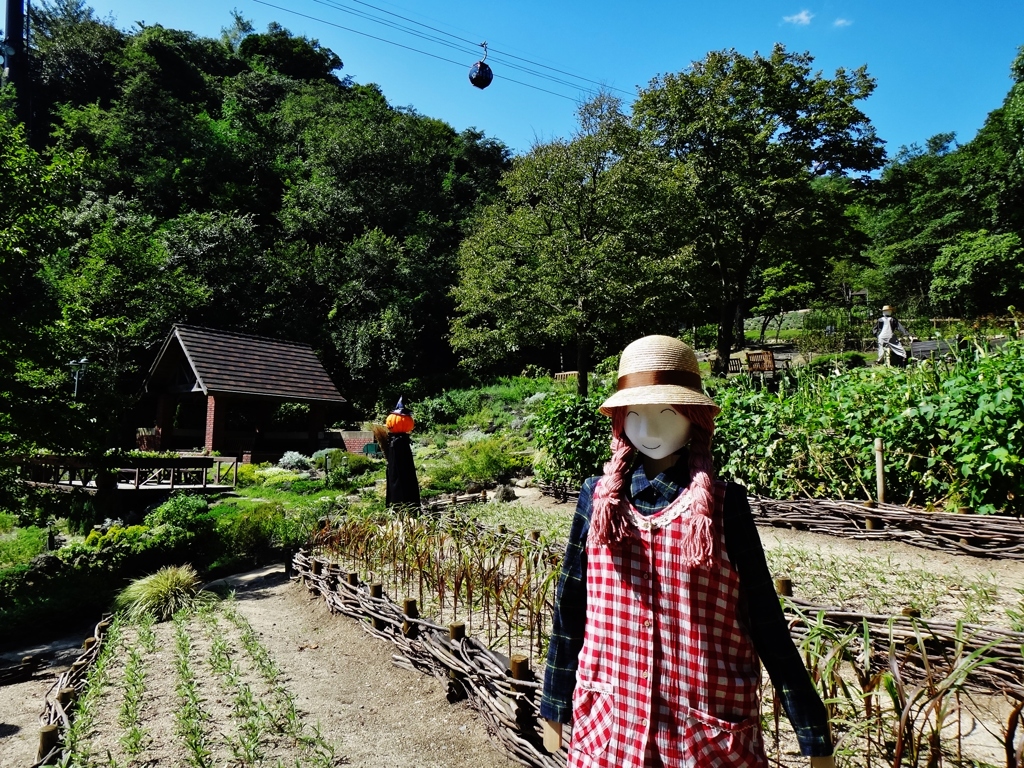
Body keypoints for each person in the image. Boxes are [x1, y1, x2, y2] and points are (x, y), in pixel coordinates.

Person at [540, 335, 835, 768]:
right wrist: (554, 706)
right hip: (610, 721)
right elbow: (570, 609)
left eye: (667, 413)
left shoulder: (722, 504)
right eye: (636, 415)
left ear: (694, 418)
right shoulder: (597, 498)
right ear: (621, 420)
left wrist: (811, 730)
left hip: (703, 729)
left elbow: (765, 618)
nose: (651, 429)